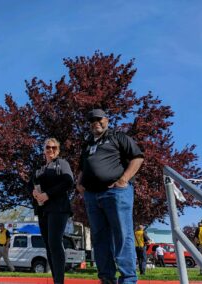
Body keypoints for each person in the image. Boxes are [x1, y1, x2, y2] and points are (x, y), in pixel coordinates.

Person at [76, 109, 144, 284]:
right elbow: (83, 167)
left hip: (116, 193)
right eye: (92, 120)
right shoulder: (87, 143)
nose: (95, 122)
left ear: (106, 119)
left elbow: (137, 157)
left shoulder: (117, 136)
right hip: (92, 196)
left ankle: (128, 279)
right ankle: (106, 278)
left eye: (99, 119)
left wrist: (124, 179)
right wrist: (79, 183)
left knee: (122, 235)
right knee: (99, 238)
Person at [31, 138, 74, 284]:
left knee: (55, 242)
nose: (51, 150)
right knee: (49, 245)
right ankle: (56, 279)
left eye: (54, 148)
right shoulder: (40, 169)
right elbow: (31, 184)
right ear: (44, 150)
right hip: (43, 210)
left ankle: (59, 281)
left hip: (58, 208)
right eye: (48, 147)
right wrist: (34, 193)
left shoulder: (62, 163)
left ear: (58, 150)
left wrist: (48, 194)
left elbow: (69, 182)